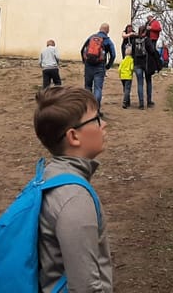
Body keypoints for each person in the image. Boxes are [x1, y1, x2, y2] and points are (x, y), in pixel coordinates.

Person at [32, 86, 113, 293]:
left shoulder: (50, 175)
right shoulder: (74, 198)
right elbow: (85, 286)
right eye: (96, 119)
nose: (103, 125)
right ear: (74, 137)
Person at [80, 23, 116, 110]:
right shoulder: (107, 40)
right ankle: (96, 110)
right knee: (98, 88)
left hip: (88, 65)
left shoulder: (91, 37)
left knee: (87, 87)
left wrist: (85, 62)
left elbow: (82, 50)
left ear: (99, 29)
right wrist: (107, 66)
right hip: (100, 66)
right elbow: (113, 55)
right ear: (107, 31)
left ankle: (88, 110)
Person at [132, 28, 158, 108]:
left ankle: (141, 103)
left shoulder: (134, 40)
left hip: (137, 64)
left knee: (140, 83)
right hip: (147, 64)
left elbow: (133, 52)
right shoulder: (147, 40)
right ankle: (149, 102)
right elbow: (152, 51)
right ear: (145, 32)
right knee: (148, 82)